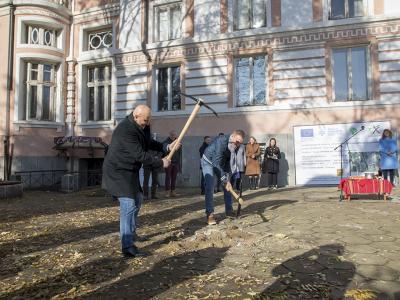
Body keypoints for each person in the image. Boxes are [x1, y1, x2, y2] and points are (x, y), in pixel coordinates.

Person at [102, 105, 180, 258]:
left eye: (148, 121)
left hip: (130, 171)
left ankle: (131, 233)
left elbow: (148, 142)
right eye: (144, 121)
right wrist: (160, 162)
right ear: (135, 116)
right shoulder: (125, 130)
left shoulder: (142, 125)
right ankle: (127, 246)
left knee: (137, 199)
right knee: (128, 205)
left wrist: (167, 146)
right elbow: (140, 154)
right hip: (117, 171)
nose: (146, 124)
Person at [201, 130, 245, 225]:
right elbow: (216, 163)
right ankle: (210, 214)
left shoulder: (236, 145)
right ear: (232, 136)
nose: (238, 145)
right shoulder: (221, 141)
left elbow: (229, 161)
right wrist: (224, 178)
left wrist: (227, 179)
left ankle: (229, 211)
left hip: (221, 163)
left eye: (240, 143)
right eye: (237, 142)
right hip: (208, 161)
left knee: (228, 186)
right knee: (210, 185)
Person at [163, 130, 182, 197]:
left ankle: (173, 191)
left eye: (174, 135)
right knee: (168, 177)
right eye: (172, 134)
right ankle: (167, 192)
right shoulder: (166, 142)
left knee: (174, 177)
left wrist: (179, 162)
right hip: (169, 162)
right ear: (170, 135)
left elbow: (179, 153)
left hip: (176, 162)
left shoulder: (178, 142)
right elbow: (164, 150)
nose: (173, 136)